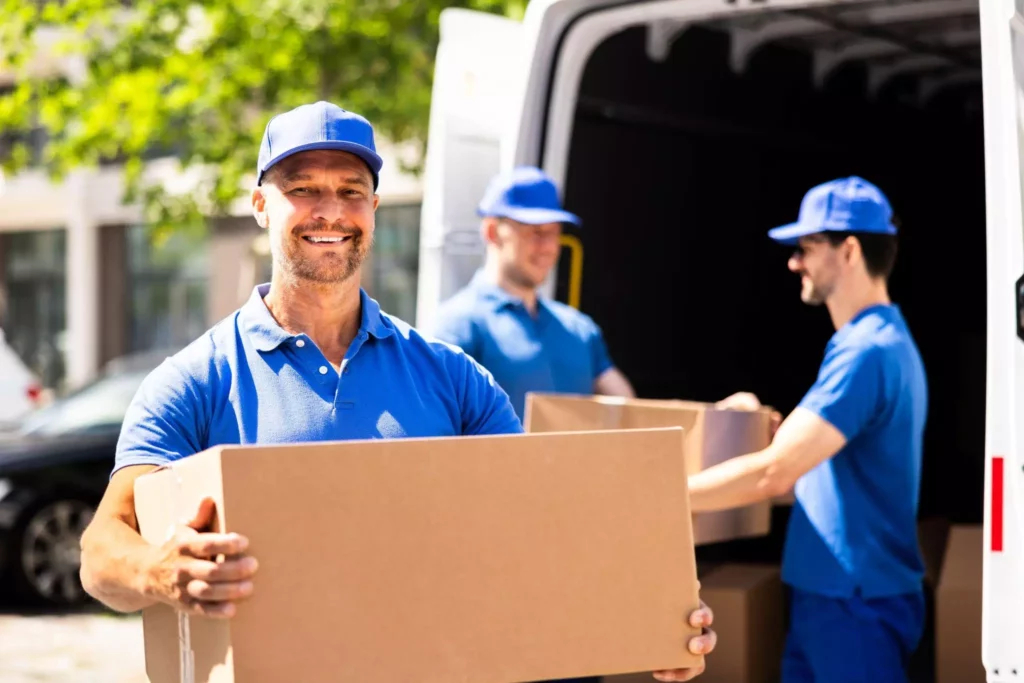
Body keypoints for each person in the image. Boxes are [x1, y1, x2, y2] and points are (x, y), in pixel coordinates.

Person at [77, 102, 714, 682]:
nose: (330, 210)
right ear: (260, 205)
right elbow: (102, 549)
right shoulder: (195, 380)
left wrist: (645, 622)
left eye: (350, 191)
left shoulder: (450, 374)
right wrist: (159, 572)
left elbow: (536, 534)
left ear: (373, 211)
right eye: (303, 190)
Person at [685, 176, 928, 683]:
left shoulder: (865, 352)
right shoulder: (878, 342)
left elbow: (775, 472)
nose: (795, 262)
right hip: (839, 597)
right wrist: (748, 427)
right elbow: (807, 467)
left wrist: (659, 496)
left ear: (850, 250)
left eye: (807, 247)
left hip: (853, 604)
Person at [431, 166, 635, 422]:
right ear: (492, 232)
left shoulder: (579, 329)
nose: (549, 246)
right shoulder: (458, 325)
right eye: (535, 232)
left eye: (555, 232)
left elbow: (626, 410)